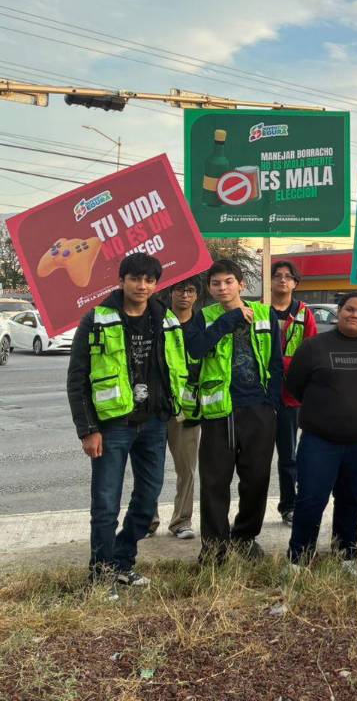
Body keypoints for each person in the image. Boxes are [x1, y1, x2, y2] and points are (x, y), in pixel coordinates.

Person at [66, 254, 190, 593]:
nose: (142, 285)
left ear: (156, 284)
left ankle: (121, 563)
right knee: (105, 504)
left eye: (149, 280)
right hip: (113, 426)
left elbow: (178, 363)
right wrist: (88, 429)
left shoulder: (165, 318)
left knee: (148, 500)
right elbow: (77, 379)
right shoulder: (96, 319)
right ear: (121, 281)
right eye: (135, 278)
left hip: (153, 423)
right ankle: (101, 575)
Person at [184, 259, 284, 563]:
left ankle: (244, 537)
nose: (222, 288)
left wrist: (272, 404)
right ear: (209, 288)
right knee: (214, 482)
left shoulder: (265, 314)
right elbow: (194, 349)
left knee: (257, 479)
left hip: (258, 409)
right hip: (219, 412)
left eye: (228, 281)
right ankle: (214, 547)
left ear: (241, 284)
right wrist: (228, 321)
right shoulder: (204, 317)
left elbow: (276, 362)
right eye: (216, 283)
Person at [285, 293, 357, 572]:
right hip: (319, 442)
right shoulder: (313, 347)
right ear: (339, 311)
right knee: (311, 499)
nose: (355, 315)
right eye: (349, 309)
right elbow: (295, 385)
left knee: (351, 498)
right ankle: (298, 558)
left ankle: (345, 554)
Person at [148, 275, 204, 540]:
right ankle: (147, 519)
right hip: (156, 405)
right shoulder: (156, 321)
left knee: (186, 468)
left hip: (188, 407)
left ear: (197, 295)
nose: (185, 295)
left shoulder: (202, 324)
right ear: (170, 293)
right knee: (150, 467)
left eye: (190, 290)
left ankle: (182, 521)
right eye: (180, 290)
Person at [269, 260, 318, 526]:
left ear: (295, 283)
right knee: (255, 458)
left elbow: (311, 352)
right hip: (262, 395)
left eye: (288, 277)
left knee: (289, 456)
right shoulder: (259, 311)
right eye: (277, 276)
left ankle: (289, 506)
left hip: (291, 396)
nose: (282, 280)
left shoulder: (303, 313)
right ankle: (251, 511)